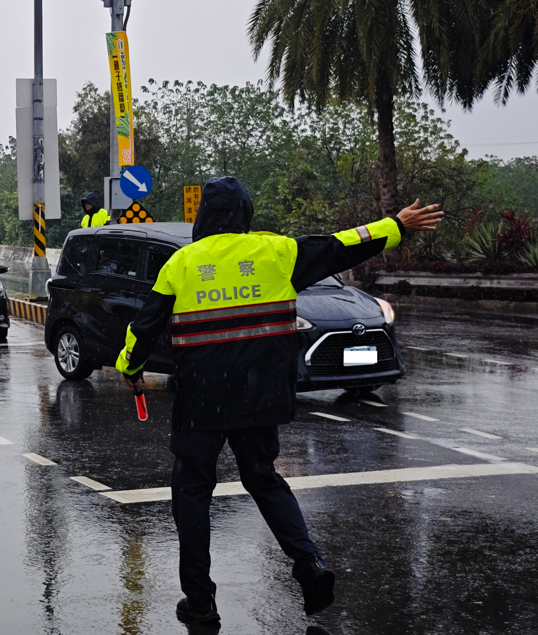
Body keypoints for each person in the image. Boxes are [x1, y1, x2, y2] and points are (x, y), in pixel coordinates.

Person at [114, 176, 443, 626]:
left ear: (203, 217)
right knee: (264, 480)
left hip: (202, 400)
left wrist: (129, 369)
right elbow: (342, 244)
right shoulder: (277, 252)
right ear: (246, 213)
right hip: (259, 394)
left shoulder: (183, 263)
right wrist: (396, 224)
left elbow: (144, 325)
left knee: (191, 492)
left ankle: (200, 599)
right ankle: (308, 564)